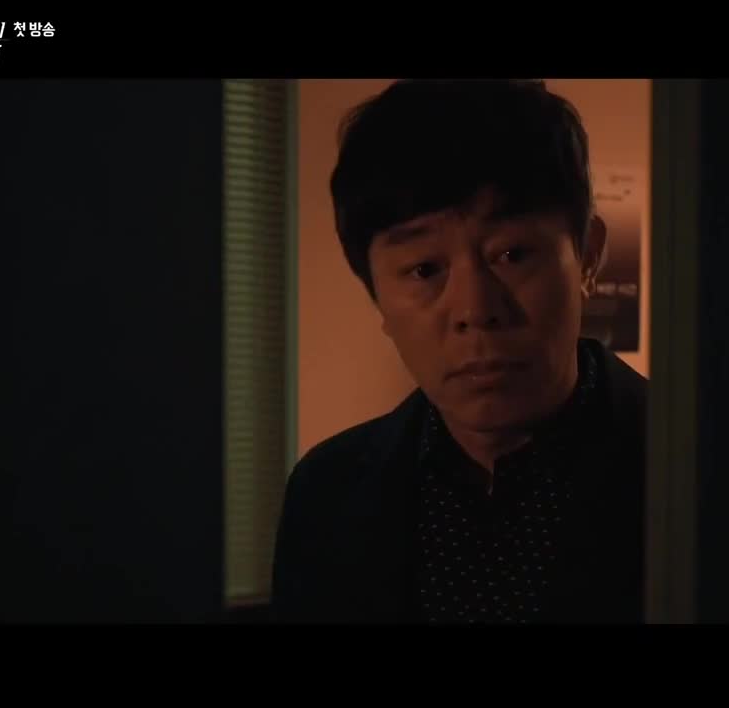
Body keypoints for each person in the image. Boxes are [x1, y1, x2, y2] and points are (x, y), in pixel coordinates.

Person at [270, 79, 648, 624]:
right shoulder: (325, 492)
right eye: (425, 269)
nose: (475, 308)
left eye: (512, 254)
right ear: (376, 295)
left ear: (588, 256)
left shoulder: (691, 468)